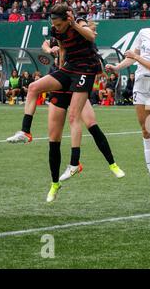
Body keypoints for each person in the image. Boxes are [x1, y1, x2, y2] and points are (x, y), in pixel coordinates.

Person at [6, 4, 102, 196]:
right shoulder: (56, 31)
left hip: (82, 74)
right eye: (54, 24)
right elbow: (61, 48)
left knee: (83, 120)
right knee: (33, 89)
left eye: (58, 24)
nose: (55, 27)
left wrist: (75, 25)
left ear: (67, 19)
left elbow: (91, 37)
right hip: (66, 73)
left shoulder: (78, 28)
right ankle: (26, 131)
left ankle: (77, 162)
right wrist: (58, 61)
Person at [42, 20, 125, 202]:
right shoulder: (63, 36)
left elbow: (97, 67)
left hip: (78, 84)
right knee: (53, 138)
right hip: (61, 83)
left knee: (91, 124)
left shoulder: (86, 46)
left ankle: (112, 164)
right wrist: (50, 50)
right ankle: (54, 184)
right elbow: (47, 43)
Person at [105, 18, 150, 200]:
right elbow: (131, 56)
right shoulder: (144, 32)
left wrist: (137, 57)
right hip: (141, 84)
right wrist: (117, 67)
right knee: (146, 131)